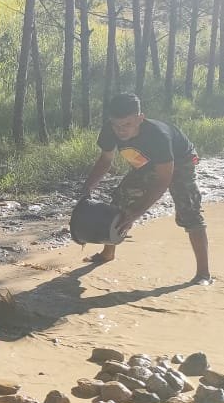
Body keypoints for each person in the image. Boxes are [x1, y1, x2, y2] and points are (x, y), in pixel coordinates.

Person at [81, 92, 210, 284]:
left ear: (140, 118)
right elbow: (105, 161)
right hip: (148, 163)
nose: (121, 131)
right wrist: (87, 188)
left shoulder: (158, 136)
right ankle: (108, 253)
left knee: (189, 213)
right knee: (119, 201)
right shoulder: (110, 129)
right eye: (116, 125)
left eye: (127, 125)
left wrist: (136, 212)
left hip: (181, 161)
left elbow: (163, 180)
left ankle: (203, 274)